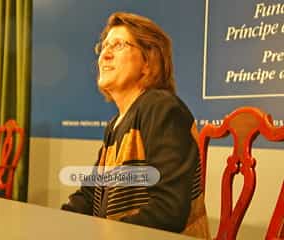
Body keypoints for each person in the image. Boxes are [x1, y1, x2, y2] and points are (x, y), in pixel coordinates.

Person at [61, 12, 210, 238]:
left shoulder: (161, 107)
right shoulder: (115, 124)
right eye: (103, 46)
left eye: (119, 45)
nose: (105, 55)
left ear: (149, 62)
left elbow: (168, 210)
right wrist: (55, 223)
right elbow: (89, 196)